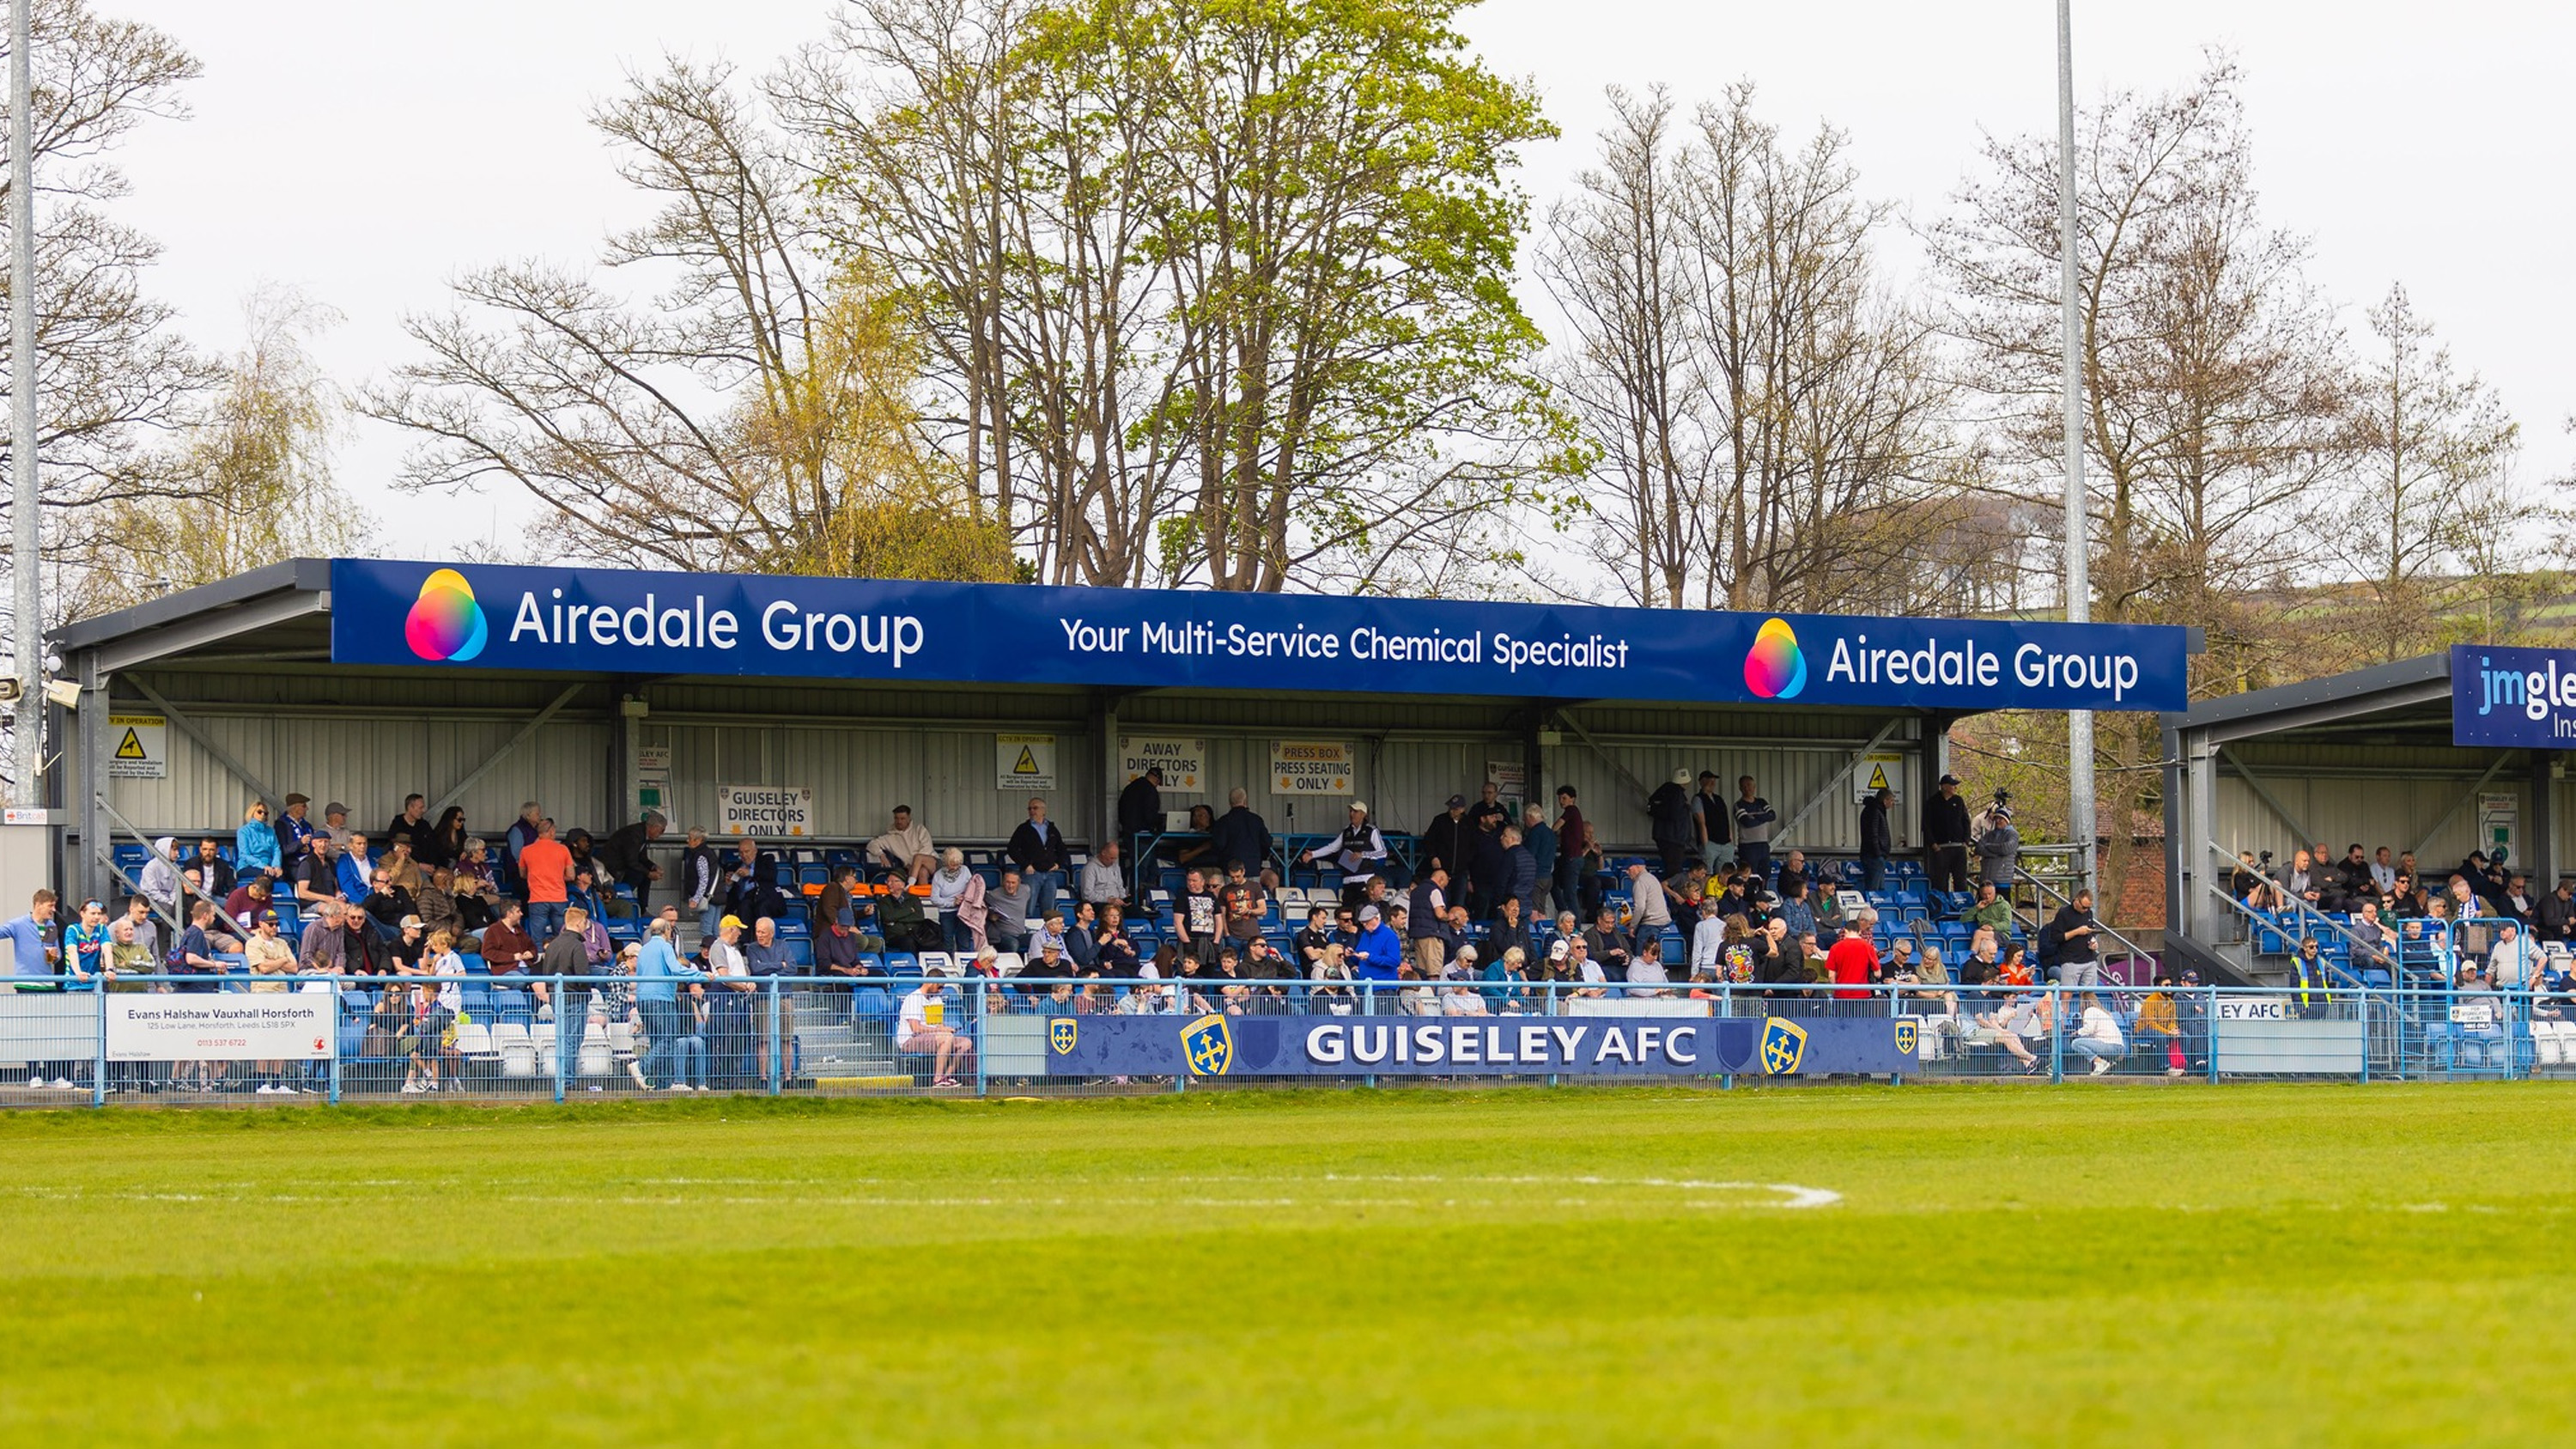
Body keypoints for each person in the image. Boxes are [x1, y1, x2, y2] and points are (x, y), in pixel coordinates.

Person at [633, 919, 708, 1091]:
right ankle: (641, 1067)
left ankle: (662, 1083)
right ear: (666, 931)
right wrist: (701, 975)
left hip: (643, 998)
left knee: (657, 1040)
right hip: (661, 998)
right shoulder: (665, 947)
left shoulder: (644, 949)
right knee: (668, 1038)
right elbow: (676, 969)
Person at [1302, 802, 1389, 910]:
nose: (1352, 814)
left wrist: (1363, 854)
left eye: (1355, 811)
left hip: (1365, 879)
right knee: (1348, 912)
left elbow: (1383, 852)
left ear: (1363, 814)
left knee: (1363, 911)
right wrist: (1314, 854)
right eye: (1351, 811)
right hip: (1348, 880)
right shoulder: (1346, 831)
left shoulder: (1372, 830)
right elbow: (1332, 847)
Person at [897, 976, 975, 1087]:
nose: (941, 990)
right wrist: (940, 1031)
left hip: (932, 1037)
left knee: (966, 1043)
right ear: (930, 983)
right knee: (946, 1038)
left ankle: (947, 1076)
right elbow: (916, 1028)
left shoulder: (936, 999)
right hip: (910, 1040)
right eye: (939, 987)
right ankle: (938, 1079)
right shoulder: (913, 998)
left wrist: (945, 1029)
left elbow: (938, 1023)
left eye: (942, 988)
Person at [1005, 797, 1070, 916]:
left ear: (1043, 811)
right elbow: (1012, 849)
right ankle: (1026, 933)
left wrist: (1058, 864)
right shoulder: (1023, 829)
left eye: (1035, 808)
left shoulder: (1052, 829)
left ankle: (1047, 933)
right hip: (1031, 874)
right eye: (1029, 808)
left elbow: (1062, 849)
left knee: (1049, 911)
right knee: (1028, 908)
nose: (1032, 811)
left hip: (1050, 874)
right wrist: (1026, 864)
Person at [514, 819, 574, 945]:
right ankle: (560, 961)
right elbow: (571, 876)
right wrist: (556, 876)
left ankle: (539, 961)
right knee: (562, 937)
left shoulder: (526, 850)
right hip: (558, 899)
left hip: (537, 899)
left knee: (537, 939)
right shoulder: (563, 849)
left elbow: (522, 874)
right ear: (551, 831)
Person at [594, 811, 667, 909]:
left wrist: (654, 867)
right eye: (661, 830)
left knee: (646, 874)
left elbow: (642, 858)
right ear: (654, 827)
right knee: (641, 875)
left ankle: (643, 907)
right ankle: (621, 898)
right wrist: (648, 873)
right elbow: (631, 861)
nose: (661, 834)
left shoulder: (643, 834)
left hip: (623, 867)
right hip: (612, 869)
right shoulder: (633, 835)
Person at [1208, 788, 1274, 886]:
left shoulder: (1223, 821)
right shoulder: (1256, 820)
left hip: (1230, 869)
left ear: (1230, 802)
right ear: (1245, 801)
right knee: (1251, 897)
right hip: (1252, 867)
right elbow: (1267, 842)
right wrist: (1261, 857)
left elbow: (1219, 844)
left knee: (1232, 898)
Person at [929, 849, 986, 956]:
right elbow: (934, 899)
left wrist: (965, 898)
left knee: (964, 941)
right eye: (952, 865)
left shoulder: (965, 870)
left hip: (963, 911)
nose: (955, 868)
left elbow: (972, 889)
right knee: (948, 942)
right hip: (946, 912)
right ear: (945, 863)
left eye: (958, 864)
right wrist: (952, 903)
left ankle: (964, 965)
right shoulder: (938, 876)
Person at [2044, 889, 2102, 995]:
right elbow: (2055, 937)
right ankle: (2064, 1012)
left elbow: (2090, 932)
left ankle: (2087, 1012)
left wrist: (2093, 943)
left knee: (2089, 996)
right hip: (2071, 960)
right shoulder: (2064, 913)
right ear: (2076, 901)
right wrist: (2077, 932)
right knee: (2066, 995)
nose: (2086, 910)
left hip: (2089, 959)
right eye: (2084, 907)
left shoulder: (2089, 913)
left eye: (2089, 907)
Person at [1922, 773, 1971, 893]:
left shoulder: (1959, 801)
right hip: (1941, 848)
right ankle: (1942, 906)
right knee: (1940, 881)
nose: (1955, 788)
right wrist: (1934, 845)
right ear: (1944, 786)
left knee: (1960, 880)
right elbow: (1926, 825)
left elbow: (1966, 821)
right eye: (1952, 785)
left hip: (1958, 847)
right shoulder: (1932, 802)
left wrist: (1966, 841)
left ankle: (1961, 905)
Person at [1825, 909, 1880, 1012]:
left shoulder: (1835, 948)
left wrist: (1836, 989)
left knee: (1841, 1026)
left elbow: (1831, 976)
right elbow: (1878, 974)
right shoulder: (1868, 947)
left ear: (1845, 930)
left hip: (1841, 995)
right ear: (1859, 932)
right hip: (1863, 995)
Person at [868, 805, 937, 884]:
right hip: (914, 869)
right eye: (896, 818)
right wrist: (881, 855)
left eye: (902, 819)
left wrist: (915, 865)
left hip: (932, 862)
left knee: (918, 858)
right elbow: (872, 844)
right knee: (922, 872)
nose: (899, 821)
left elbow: (927, 849)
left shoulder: (919, 829)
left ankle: (910, 885)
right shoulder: (890, 837)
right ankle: (919, 895)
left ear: (908, 818)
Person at [1731, 776, 1776, 881]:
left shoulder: (1761, 802)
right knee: (1749, 875)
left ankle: (1763, 894)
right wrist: (1763, 817)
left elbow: (1773, 815)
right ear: (1740, 788)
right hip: (1748, 846)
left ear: (1754, 787)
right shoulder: (1738, 805)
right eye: (1744, 786)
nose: (1747, 788)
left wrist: (1755, 816)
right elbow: (1747, 822)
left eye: (1750, 785)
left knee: (1765, 874)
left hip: (1763, 844)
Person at [985, 868, 1036, 957]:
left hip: (1021, 934)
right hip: (1003, 936)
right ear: (1003, 882)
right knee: (1013, 944)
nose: (1010, 886)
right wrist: (990, 915)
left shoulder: (1026, 890)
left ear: (1019, 883)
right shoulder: (994, 895)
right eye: (1007, 882)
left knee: (1038, 940)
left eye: (1013, 883)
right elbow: (982, 908)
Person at [2071, 996, 2126, 1075]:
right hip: (2119, 1048)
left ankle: (2100, 1062)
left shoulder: (2090, 1011)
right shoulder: (2104, 1013)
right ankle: (2109, 1065)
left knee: (2076, 1043)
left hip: (2110, 1047)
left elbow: (2089, 1029)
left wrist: (2077, 1032)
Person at [1520, 803, 1558, 916]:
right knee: (1541, 911)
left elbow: (1529, 855)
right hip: (1548, 877)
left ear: (1531, 817)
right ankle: (1544, 933)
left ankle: (1535, 934)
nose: (1524, 822)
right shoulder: (1550, 833)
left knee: (1533, 911)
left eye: (1525, 819)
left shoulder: (1535, 833)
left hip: (1536, 877)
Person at [1348, 904, 1402, 982]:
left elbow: (1394, 961)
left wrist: (1370, 957)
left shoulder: (1390, 936)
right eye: (1363, 923)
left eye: (1367, 922)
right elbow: (1359, 959)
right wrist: (1353, 954)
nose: (1364, 925)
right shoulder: (1365, 935)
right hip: (1365, 985)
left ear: (1377, 919)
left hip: (1383, 986)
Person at [235, 800, 284, 885]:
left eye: (266, 813)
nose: (263, 815)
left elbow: (276, 850)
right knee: (269, 877)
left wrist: (276, 866)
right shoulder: (243, 831)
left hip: (269, 866)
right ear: (252, 813)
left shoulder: (270, 831)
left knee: (281, 876)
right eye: (259, 812)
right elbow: (244, 855)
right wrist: (263, 866)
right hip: (248, 866)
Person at [1975, 805, 2020, 892]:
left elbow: (2006, 848)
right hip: (1987, 878)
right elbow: (1979, 848)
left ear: (2007, 820)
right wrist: (1996, 853)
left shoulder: (2013, 834)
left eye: (2001, 819)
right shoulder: (1989, 834)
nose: (1998, 821)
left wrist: (1988, 846)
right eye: (1996, 819)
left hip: (2002, 879)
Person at [1856, 787, 1894, 892]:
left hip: (1874, 855)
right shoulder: (1874, 811)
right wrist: (1878, 853)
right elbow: (1873, 835)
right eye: (1891, 800)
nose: (1892, 803)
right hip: (1874, 857)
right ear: (1885, 800)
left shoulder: (1874, 810)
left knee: (1879, 889)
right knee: (1874, 890)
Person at [1692, 771, 1730, 873]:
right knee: (1706, 873)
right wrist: (1705, 845)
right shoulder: (1698, 799)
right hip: (1710, 843)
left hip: (1725, 843)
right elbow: (1701, 823)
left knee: (1724, 875)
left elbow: (1726, 821)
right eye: (1709, 780)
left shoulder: (1719, 799)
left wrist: (1730, 841)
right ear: (1702, 781)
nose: (1712, 783)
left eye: (1713, 780)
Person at [384, 795, 431, 859]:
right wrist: (418, 865)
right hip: (406, 865)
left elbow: (433, 846)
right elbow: (397, 848)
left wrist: (436, 865)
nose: (424, 810)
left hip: (429, 866)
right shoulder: (398, 825)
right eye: (420, 808)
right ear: (410, 807)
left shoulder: (425, 825)